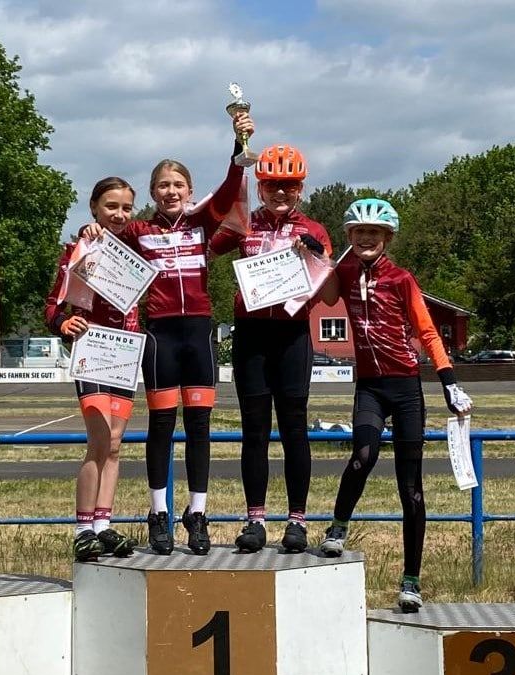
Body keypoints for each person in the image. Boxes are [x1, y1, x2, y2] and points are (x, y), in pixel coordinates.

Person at [316, 198, 472, 612]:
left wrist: (449, 381)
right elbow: (326, 297)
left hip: (405, 387)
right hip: (368, 385)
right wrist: (317, 258)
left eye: (375, 233)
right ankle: (338, 526)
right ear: (349, 236)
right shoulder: (345, 272)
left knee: (411, 488)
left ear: (387, 238)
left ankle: (411, 580)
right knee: (363, 455)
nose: (366, 239)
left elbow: (428, 331)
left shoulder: (402, 279)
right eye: (358, 232)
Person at [115, 111, 255, 556]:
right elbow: (105, 236)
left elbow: (232, 190)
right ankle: (158, 514)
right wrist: (92, 228)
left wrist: (238, 145)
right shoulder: (138, 231)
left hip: (198, 334)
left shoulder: (202, 224)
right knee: (160, 424)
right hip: (159, 336)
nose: (170, 192)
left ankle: (197, 513)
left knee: (199, 426)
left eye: (178, 185)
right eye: (162, 186)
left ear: (189, 192)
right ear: (152, 194)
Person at [209, 145, 332, 553]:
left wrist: (315, 255)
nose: (281, 193)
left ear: (300, 188)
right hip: (251, 336)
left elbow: (328, 291)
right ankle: (255, 519)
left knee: (295, 430)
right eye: (273, 185)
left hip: (293, 336)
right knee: (255, 431)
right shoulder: (245, 222)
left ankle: (297, 521)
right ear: (260, 187)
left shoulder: (313, 229)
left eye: (289, 186)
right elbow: (207, 242)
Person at [45, 176, 139, 562]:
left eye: (126, 208)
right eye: (111, 207)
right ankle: (83, 528)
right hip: (94, 351)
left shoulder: (137, 249)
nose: (119, 214)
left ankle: (103, 525)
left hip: (127, 351)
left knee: (115, 447)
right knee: (98, 439)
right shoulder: (78, 249)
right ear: (95, 209)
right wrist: (63, 325)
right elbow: (54, 305)